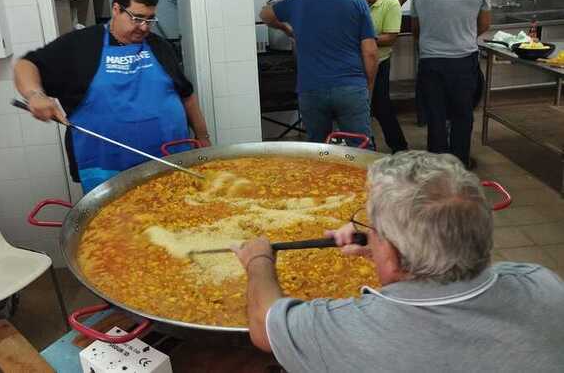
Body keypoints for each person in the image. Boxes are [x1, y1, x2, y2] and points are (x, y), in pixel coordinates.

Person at [232, 151, 564, 372]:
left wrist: (258, 258)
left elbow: (264, 326)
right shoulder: (542, 283)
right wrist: (384, 249)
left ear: (391, 256)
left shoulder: (354, 331)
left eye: (372, 229)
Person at [14, 0, 210, 193]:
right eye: (137, 18)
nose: (144, 27)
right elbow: (26, 64)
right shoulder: (81, 45)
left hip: (172, 161)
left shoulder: (160, 46)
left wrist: (203, 138)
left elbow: (186, 95)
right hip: (107, 171)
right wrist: (35, 95)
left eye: (150, 19)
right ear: (116, 9)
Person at [259, 0, 378, 146]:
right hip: (350, 87)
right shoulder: (357, 3)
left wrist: (286, 29)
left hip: (311, 89)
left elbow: (265, 14)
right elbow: (370, 52)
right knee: (359, 147)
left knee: (319, 150)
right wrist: (368, 85)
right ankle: (355, 167)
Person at [411, 0, 490, 167]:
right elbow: (484, 24)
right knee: (462, 114)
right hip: (463, 61)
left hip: (431, 62)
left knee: (435, 115)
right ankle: (459, 162)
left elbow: (416, 30)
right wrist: (462, 36)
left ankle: (438, 165)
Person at [397, 0, 450, 126]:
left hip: (425, 36)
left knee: (425, 77)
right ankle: (446, 117)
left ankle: (423, 117)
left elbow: (397, 2)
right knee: (448, 79)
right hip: (450, 36)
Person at [356, 0, 408, 153]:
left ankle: (399, 148)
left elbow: (391, 37)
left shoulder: (391, 4)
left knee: (381, 106)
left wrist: (366, 39)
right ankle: (366, 148)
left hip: (379, 63)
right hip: (356, 64)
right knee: (358, 107)